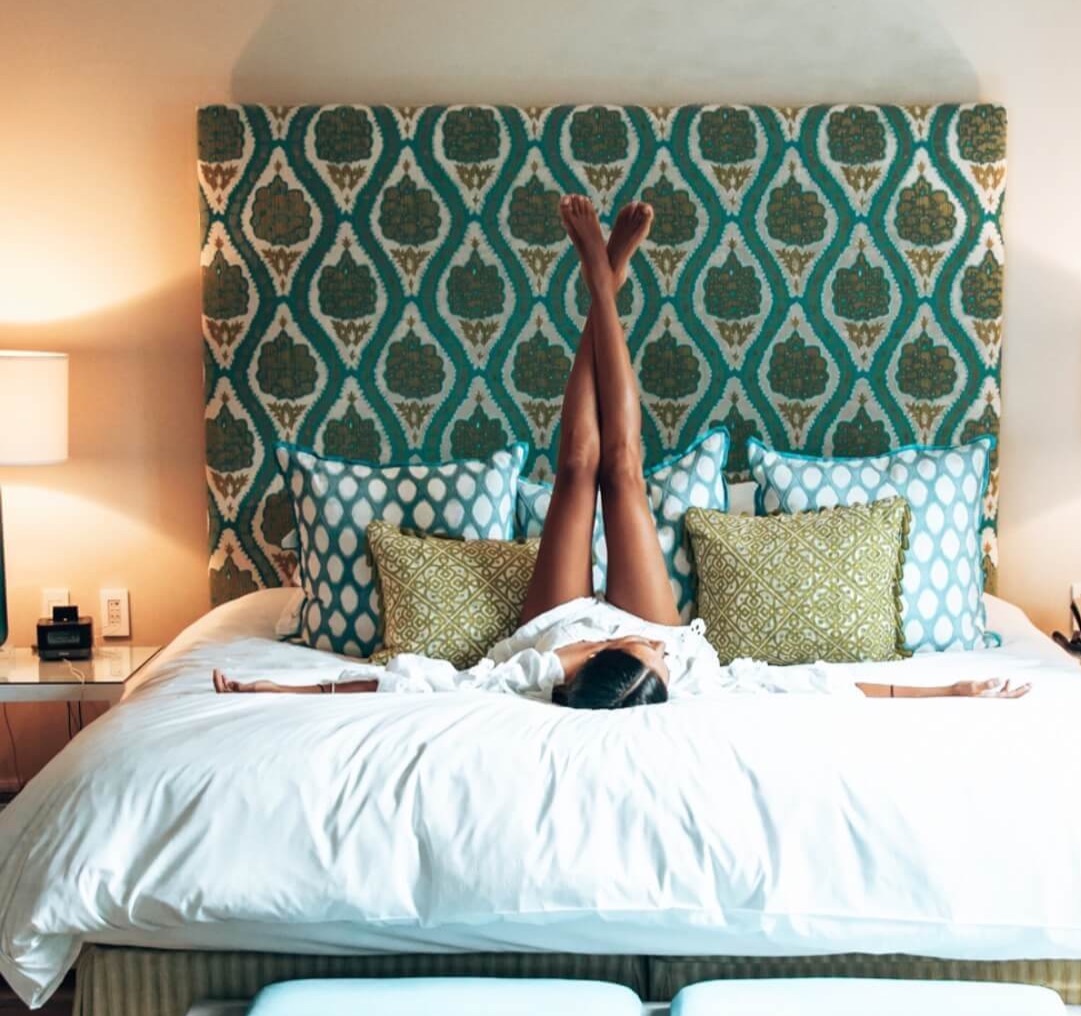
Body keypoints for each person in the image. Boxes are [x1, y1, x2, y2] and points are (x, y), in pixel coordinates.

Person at [215, 196, 1029, 708]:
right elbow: (823, 683)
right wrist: (955, 686)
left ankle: (596, 276)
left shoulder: (536, 670)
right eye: (620, 648)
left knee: (576, 471)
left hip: (547, 622)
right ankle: (610, 280)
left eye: (599, 651)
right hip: (659, 621)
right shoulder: (686, 667)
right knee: (625, 472)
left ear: (570, 671)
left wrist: (264, 684)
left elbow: (398, 679)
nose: (608, 633)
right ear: (651, 666)